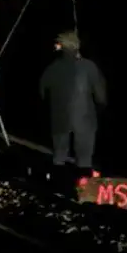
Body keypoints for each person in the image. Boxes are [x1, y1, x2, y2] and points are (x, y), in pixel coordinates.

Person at [40, 29, 105, 170]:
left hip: (59, 121)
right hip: (85, 121)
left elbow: (42, 95)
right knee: (84, 160)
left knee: (59, 158)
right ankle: (83, 188)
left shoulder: (52, 69)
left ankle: (58, 186)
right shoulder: (89, 67)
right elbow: (101, 97)